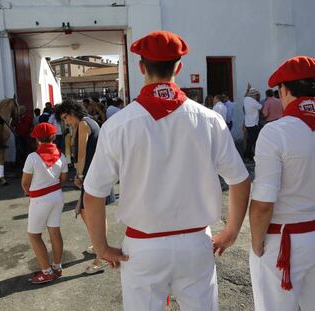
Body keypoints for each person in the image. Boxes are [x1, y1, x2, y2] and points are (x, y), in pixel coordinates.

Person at [82, 30, 250, 311]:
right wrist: (231, 231)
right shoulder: (209, 120)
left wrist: (101, 246)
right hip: (196, 243)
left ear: (141, 67)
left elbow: (93, 193)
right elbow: (240, 181)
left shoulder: (119, 124)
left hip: (143, 247)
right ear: (179, 67)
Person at [249, 56, 315, 311]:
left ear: (284, 90)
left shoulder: (276, 132)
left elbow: (263, 203)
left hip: (284, 240)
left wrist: (256, 243)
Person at [55, 100, 108, 274]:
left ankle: (102, 255)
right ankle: (100, 245)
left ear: (72, 112)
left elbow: (82, 154)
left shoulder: (84, 124)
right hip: (95, 174)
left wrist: (79, 175)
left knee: (91, 213)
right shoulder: (89, 121)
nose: (66, 122)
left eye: (65, 118)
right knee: (90, 212)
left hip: (91, 175)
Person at [21, 122, 68, 284]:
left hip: (40, 200)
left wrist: (29, 193)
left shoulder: (32, 157)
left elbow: (25, 183)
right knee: (54, 231)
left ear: (36, 138)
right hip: (57, 196)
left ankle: (46, 272)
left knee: (34, 235)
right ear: (54, 136)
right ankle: (57, 267)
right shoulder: (61, 156)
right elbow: (63, 179)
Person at [243, 86, 262, 161]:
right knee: (252, 141)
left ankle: (249, 156)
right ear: (254, 95)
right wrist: (258, 99)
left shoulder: (246, 99)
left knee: (249, 141)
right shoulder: (253, 101)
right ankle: (247, 156)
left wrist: (247, 90)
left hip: (248, 123)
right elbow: (261, 107)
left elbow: (245, 95)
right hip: (253, 123)